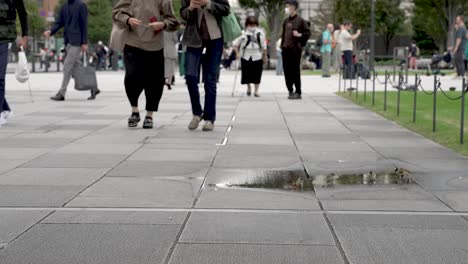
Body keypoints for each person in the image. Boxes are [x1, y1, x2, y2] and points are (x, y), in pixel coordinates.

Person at [113, 0, 179, 129]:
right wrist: (127, 19)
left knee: (154, 81)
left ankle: (150, 115)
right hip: (133, 42)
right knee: (132, 75)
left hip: (155, 44)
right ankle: (134, 110)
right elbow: (117, 13)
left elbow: (173, 21)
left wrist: (162, 24)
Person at [180, 0, 230, 131]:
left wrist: (208, 3)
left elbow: (226, 9)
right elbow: (183, 14)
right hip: (193, 39)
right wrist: (190, 8)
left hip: (215, 40)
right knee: (190, 76)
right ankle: (197, 113)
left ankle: (209, 118)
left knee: (210, 80)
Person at [45, 0, 101, 101]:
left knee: (67, 65)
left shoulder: (81, 5)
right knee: (76, 66)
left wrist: (84, 42)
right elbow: (60, 22)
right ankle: (94, 88)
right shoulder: (64, 6)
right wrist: (51, 31)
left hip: (77, 41)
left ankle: (62, 93)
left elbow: (84, 24)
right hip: (68, 41)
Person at [0, 0, 28, 128]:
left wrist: (25, 36)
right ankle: (5, 109)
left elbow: (22, 13)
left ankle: (1, 113)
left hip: (4, 37)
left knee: (0, 77)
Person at [280, 0, 310, 100]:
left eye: (289, 5)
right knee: (286, 71)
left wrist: (299, 35)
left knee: (295, 71)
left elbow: (308, 33)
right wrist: (282, 46)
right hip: (285, 49)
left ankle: (298, 91)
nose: (287, 7)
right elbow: (283, 35)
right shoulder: (285, 21)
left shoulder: (301, 20)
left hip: (295, 50)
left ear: (294, 7)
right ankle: (290, 90)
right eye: (287, 5)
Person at [234, 16, 267, 97]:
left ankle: (256, 91)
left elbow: (264, 47)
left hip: (257, 56)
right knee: (246, 74)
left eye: (254, 25)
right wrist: (237, 53)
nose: (252, 27)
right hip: (246, 56)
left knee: (257, 74)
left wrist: (265, 57)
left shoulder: (260, 33)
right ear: (247, 25)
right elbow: (235, 45)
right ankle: (248, 88)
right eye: (250, 25)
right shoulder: (242, 34)